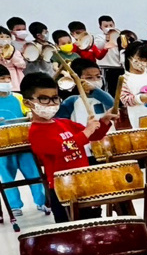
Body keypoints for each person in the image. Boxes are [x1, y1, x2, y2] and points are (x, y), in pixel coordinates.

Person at [25, 72, 113, 225]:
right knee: (71, 229)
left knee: (92, 224)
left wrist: (104, 121)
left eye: (55, 98)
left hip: (83, 183)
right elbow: (62, 148)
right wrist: (87, 131)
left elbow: (94, 135)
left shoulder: (64, 123)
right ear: (28, 103)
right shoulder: (36, 132)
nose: (51, 103)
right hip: (62, 189)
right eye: (44, 99)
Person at [0, 64, 48, 217]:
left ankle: (42, 202)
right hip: (2, 146)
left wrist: (29, 115)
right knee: (7, 177)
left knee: (33, 172)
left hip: (24, 142)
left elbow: (29, 111)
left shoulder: (19, 97)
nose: (6, 81)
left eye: (7, 78)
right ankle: (14, 206)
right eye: (2, 79)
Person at [57, 59, 114, 125]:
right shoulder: (71, 101)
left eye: (98, 77)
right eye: (89, 78)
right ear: (76, 80)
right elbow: (60, 123)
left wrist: (95, 89)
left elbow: (112, 105)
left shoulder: (104, 97)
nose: (95, 80)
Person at [96, 15, 122, 94]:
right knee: (108, 89)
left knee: (119, 89)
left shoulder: (119, 37)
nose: (109, 27)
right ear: (101, 28)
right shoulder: (99, 37)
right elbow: (99, 47)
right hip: (106, 67)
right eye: (106, 26)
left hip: (119, 67)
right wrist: (107, 39)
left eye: (111, 25)